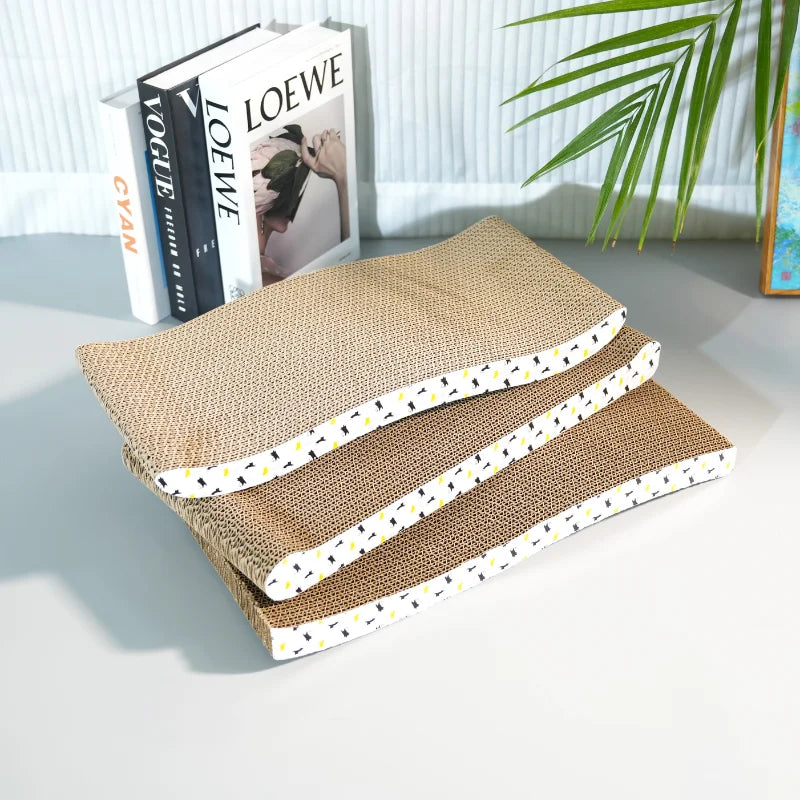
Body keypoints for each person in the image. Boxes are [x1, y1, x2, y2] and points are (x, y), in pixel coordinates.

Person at [252, 128, 350, 283]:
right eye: (293, 187)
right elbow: (357, 288)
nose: (296, 199)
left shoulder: (266, 271)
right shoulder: (264, 279)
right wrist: (343, 175)